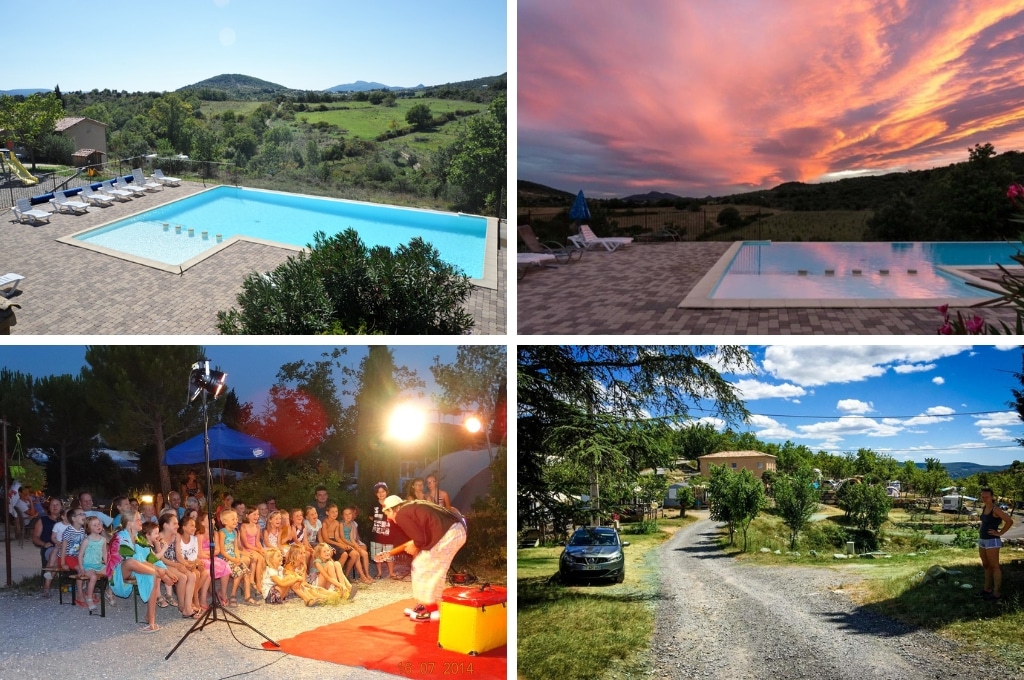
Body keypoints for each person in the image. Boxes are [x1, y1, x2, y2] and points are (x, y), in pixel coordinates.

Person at [379, 496, 467, 621]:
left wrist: (414, 545)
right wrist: (415, 544)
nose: (389, 519)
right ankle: (425, 605)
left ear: (393, 509)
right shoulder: (411, 507)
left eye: (387, 513)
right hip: (454, 532)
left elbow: (420, 540)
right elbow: (423, 535)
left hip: (449, 534)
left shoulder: (401, 514)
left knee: (423, 567)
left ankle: (432, 611)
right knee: (429, 568)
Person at [107, 510, 179, 633]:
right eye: (138, 519)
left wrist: (166, 571)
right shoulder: (119, 538)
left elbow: (150, 557)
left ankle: (150, 620)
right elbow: (135, 560)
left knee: (154, 576)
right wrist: (159, 570)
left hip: (136, 570)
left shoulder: (139, 538)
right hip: (117, 576)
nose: (141, 521)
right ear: (129, 523)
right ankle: (157, 573)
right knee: (131, 561)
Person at [155, 513, 197, 617]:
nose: (177, 526)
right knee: (183, 577)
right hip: (164, 564)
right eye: (174, 523)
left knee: (192, 575)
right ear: (165, 525)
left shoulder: (176, 535)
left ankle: (188, 606)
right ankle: (182, 606)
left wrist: (185, 564)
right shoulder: (158, 537)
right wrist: (177, 565)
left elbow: (178, 555)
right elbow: (161, 558)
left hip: (175, 562)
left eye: (177, 523)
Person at [978, 487, 1015, 601]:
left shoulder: (996, 509)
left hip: (992, 541)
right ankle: (987, 589)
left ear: (992, 497)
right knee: (986, 565)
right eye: (982, 496)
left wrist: (1000, 533)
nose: (984, 498)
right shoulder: (985, 507)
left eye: (986, 497)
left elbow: (1009, 521)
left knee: (995, 566)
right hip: (982, 540)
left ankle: (996, 593)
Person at [216, 509, 252, 606]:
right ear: (225, 522)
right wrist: (233, 560)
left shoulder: (235, 532)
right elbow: (222, 551)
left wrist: (238, 559)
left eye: (236, 519)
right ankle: (232, 595)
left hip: (234, 558)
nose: (236, 521)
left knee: (246, 572)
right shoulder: (222, 532)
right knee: (239, 573)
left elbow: (235, 548)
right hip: (225, 558)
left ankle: (247, 596)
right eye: (233, 519)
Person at [175, 514, 211, 614]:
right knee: (197, 573)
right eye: (191, 525)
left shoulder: (194, 539)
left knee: (205, 573)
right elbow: (180, 557)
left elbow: (194, 555)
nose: (194, 528)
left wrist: (197, 563)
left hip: (191, 563)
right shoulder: (179, 539)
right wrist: (194, 564)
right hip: (182, 564)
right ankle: (194, 599)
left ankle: (193, 595)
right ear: (184, 527)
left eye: (194, 525)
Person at [33, 498, 63, 598]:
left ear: (61, 507)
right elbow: (35, 537)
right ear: (49, 508)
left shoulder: (67, 521)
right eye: (52, 505)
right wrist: (44, 543)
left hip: (65, 549)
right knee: (54, 558)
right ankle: (46, 588)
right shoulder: (43, 520)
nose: (55, 507)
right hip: (50, 548)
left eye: (57, 504)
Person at [79, 516, 107, 612]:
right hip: (88, 566)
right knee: (93, 577)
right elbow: (80, 555)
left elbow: (104, 553)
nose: (98, 526)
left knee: (111, 573)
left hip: (99, 565)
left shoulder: (103, 540)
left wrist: (108, 564)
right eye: (94, 525)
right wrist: (81, 568)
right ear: (89, 528)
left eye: (99, 524)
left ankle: (109, 592)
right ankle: (89, 598)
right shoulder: (87, 541)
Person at [238, 507, 267, 600]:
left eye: (257, 514)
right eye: (254, 514)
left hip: (254, 548)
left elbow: (257, 541)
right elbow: (245, 544)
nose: (256, 516)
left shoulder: (257, 527)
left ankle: (259, 582)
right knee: (256, 557)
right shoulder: (243, 526)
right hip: (246, 549)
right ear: (247, 516)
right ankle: (253, 582)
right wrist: (257, 550)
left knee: (262, 557)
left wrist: (261, 549)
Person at [370, 483, 397, 580]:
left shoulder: (391, 504)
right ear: (376, 494)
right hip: (376, 534)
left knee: (389, 553)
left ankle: (391, 572)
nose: (381, 494)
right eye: (378, 492)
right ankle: (379, 572)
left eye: (383, 491)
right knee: (377, 554)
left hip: (389, 534)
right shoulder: (373, 504)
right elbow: (370, 516)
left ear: (387, 492)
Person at [341, 506, 374, 584]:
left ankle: (367, 574)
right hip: (345, 544)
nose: (348, 516)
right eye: (346, 514)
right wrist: (354, 546)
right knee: (357, 555)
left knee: (365, 554)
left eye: (350, 514)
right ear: (342, 516)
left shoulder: (352, 525)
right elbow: (343, 538)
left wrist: (356, 545)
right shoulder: (341, 524)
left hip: (351, 543)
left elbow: (352, 538)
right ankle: (362, 576)